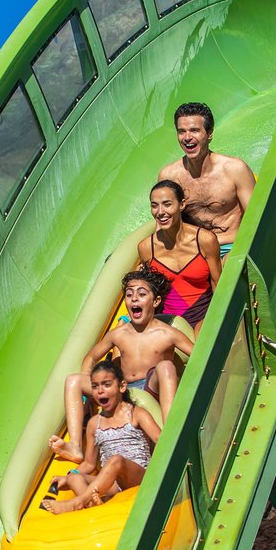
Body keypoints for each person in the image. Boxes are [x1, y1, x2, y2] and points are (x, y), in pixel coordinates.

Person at [50, 269, 193, 477]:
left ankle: (171, 431)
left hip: (151, 387)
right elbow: (90, 357)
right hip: (122, 387)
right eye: (129, 294)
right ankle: (75, 447)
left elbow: (199, 355)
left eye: (142, 294)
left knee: (165, 366)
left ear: (155, 301)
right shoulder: (119, 334)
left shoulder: (167, 333)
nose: (134, 298)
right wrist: (89, 396)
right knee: (73, 380)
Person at [42, 358, 160, 514]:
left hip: (137, 475)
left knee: (116, 460)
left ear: (122, 386)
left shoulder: (136, 414)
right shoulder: (94, 424)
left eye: (106, 384)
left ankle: (78, 503)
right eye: (95, 386)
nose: (100, 391)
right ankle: (93, 505)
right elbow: (90, 464)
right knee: (74, 478)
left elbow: (161, 440)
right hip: (113, 484)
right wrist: (69, 475)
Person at [157, 101, 256, 256]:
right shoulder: (169, 175)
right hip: (193, 250)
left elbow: (255, 218)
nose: (187, 137)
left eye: (195, 130)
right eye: (181, 131)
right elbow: (163, 225)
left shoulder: (235, 169)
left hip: (230, 247)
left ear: (209, 134)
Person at [138, 179, 222, 335]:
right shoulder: (146, 248)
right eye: (154, 205)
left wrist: (218, 317)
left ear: (181, 204)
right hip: (169, 320)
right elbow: (152, 291)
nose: (160, 212)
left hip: (203, 314)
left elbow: (218, 284)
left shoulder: (204, 240)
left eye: (167, 204)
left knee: (201, 335)